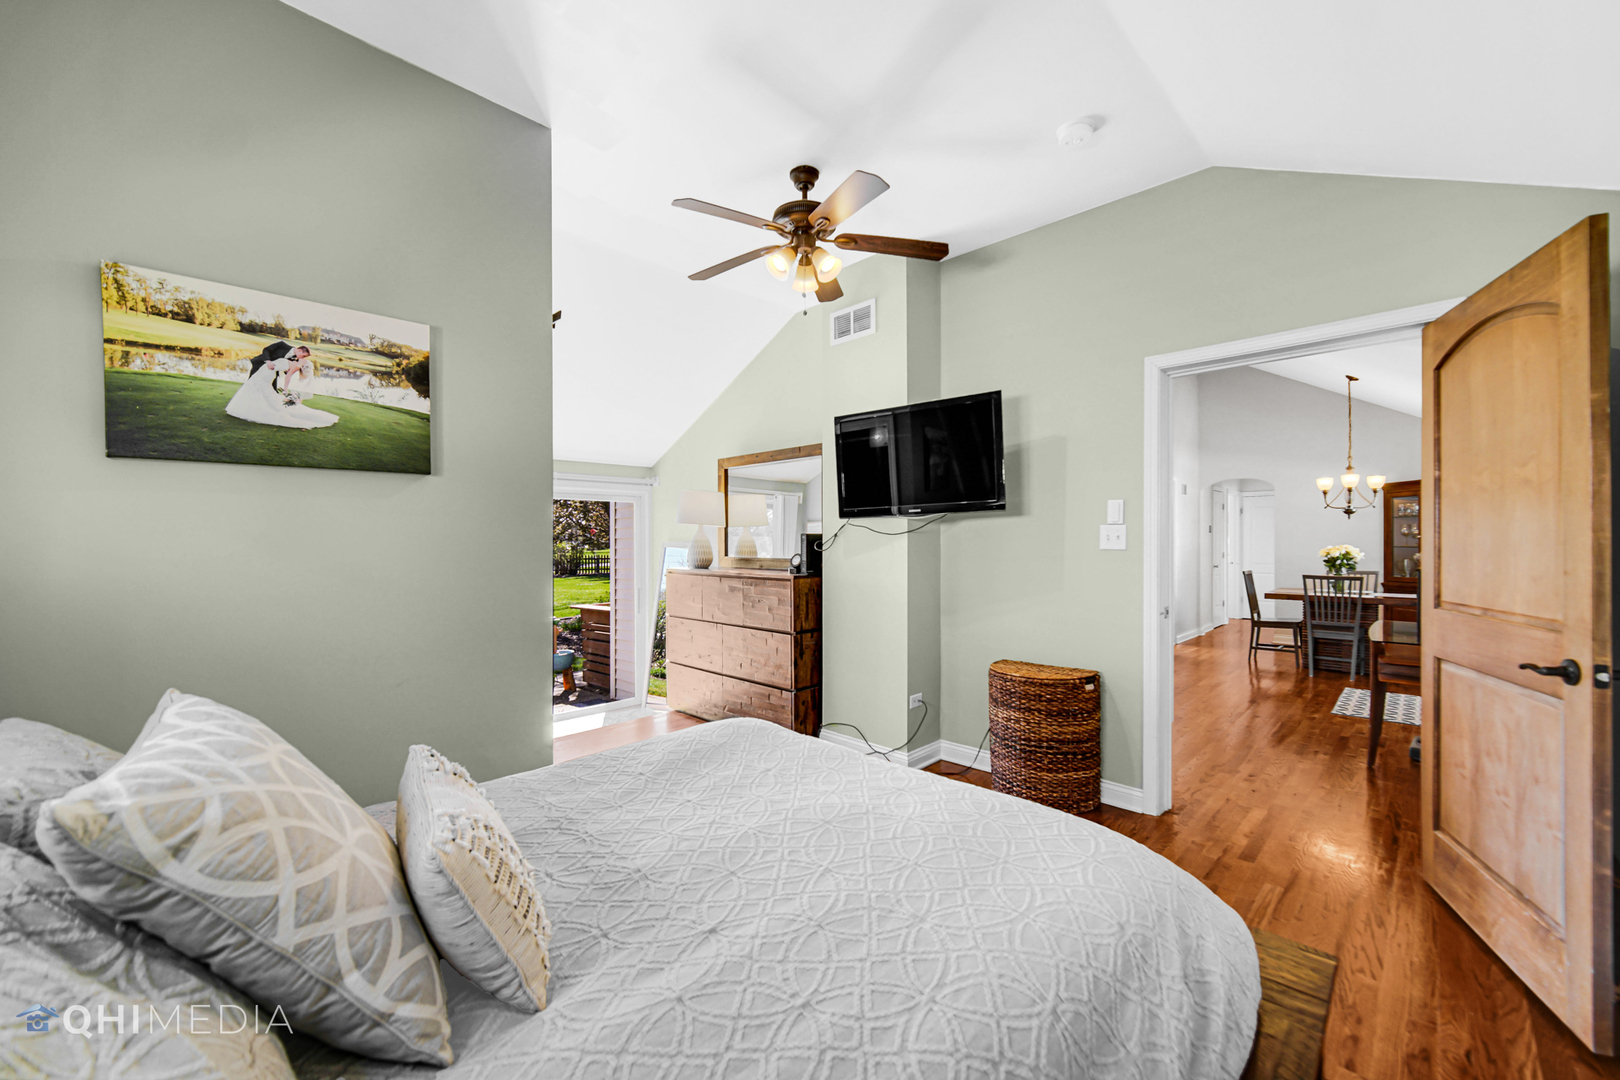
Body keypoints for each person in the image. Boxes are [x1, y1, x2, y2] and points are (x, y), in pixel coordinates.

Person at [224, 352, 338, 429]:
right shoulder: (291, 362)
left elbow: (287, 377)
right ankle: (247, 407)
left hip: (265, 377)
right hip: (264, 374)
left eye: (304, 360)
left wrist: (285, 390)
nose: (302, 359)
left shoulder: (295, 366)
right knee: (257, 392)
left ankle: (248, 409)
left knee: (262, 395)